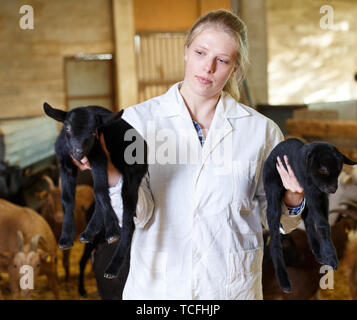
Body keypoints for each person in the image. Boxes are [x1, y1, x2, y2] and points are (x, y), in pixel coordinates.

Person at [74, 9, 305, 300]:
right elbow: (136, 216)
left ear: (234, 69)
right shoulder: (136, 122)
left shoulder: (261, 132)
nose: (208, 67)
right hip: (158, 290)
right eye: (200, 52)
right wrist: (106, 168)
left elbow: (275, 221)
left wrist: (294, 198)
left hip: (231, 288)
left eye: (221, 60)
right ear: (186, 52)